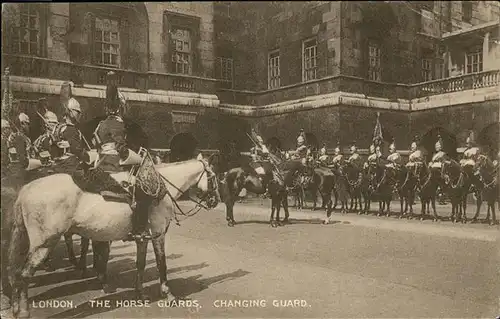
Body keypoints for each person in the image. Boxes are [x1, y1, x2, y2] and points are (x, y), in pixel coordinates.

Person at [93, 80, 150, 241]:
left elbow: (96, 144)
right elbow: (121, 149)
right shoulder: (118, 125)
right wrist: (136, 158)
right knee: (142, 191)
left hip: (99, 166)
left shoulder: (100, 124)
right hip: (113, 167)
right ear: (120, 108)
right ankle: (139, 230)